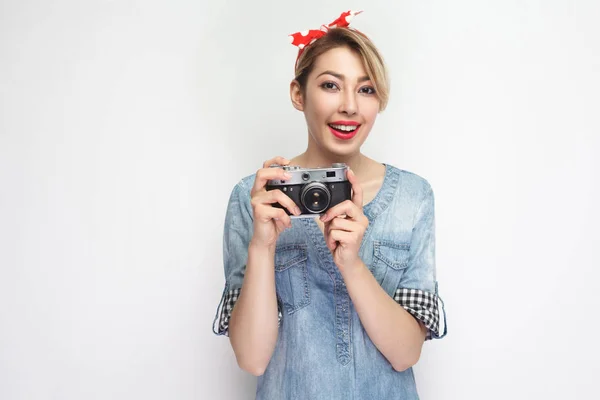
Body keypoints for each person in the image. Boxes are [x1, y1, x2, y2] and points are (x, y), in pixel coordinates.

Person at [212, 10, 448, 399]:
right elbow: (252, 359)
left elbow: (406, 353)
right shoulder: (255, 197)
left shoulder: (412, 197)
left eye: (366, 89)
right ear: (298, 94)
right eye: (330, 85)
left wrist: (352, 263)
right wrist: (261, 246)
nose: (350, 107)